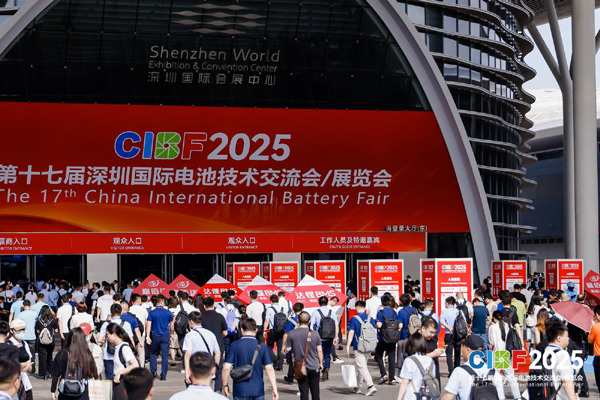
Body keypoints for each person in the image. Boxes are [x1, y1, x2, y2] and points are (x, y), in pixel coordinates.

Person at [222, 318, 278, 400]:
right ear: (256, 330)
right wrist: (274, 388)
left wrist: (225, 385)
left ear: (242, 330)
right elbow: (269, 368)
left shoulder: (234, 345)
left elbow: (226, 368)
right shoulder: (263, 347)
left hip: (240, 390)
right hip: (257, 390)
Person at [441, 335, 504, 400]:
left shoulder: (459, 371)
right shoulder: (494, 373)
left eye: (463, 347)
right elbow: (501, 398)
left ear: (468, 349)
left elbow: (447, 397)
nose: (462, 351)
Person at [50, 327, 99, 400]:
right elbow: (94, 373)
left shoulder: (61, 354)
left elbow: (55, 374)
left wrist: (53, 390)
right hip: (82, 392)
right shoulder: (86, 354)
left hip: (65, 391)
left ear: (69, 338)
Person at [284, 312, 323, 400]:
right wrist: (320, 363)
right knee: (315, 392)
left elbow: (288, 349)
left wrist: (285, 348)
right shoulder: (315, 334)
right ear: (309, 321)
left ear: (298, 320)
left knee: (303, 392)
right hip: (314, 366)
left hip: (300, 366)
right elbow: (319, 350)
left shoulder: (292, 333)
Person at [487, 310, 521, 400]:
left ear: (494, 318)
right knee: (511, 376)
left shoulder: (492, 327)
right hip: (507, 353)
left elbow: (491, 341)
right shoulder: (508, 326)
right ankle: (517, 396)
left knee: (497, 376)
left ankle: (500, 396)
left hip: (497, 353)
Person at [346, 301, 377, 396]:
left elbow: (351, 333)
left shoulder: (354, 319)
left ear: (356, 307)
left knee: (362, 367)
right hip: (369, 346)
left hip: (359, 346)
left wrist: (347, 346)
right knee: (362, 366)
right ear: (364, 307)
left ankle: (371, 386)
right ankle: (358, 387)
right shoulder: (370, 318)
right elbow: (375, 331)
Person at [182, 311, 221, 386]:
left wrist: (187, 372)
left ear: (191, 322)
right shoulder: (211, 334)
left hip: (194, 370)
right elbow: (218, 353)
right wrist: (215, 366)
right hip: (208, 369)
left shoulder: (190, 335)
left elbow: (187, 355)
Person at [98, 303, 134, 381]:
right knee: (122, 377)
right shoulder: (126, 324)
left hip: (108, 355)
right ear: (121, 313)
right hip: (122, 355)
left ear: (111, 313)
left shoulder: (106, 324)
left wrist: (105, 339)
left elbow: (99, 340)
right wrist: (133, 350)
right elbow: (131, 339)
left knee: (109, 379)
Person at [396, 333, 435, 400]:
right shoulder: (430, 360)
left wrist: (399, 398)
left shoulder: (409, 360)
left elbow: (405, 382)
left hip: (411, 394)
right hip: (426, 394)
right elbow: (433, 378)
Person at [200, 297, 228, 393]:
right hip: (219, 346)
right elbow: (225, 333)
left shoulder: (201, 317)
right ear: (213, 305)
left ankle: (207, 388)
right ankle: (218, 389)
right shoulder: (220, 316)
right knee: (219, 368)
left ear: (204, 306)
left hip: (205, 347)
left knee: (205, 368)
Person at [107, 322, 139, 400]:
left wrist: (119, 373)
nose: (106, 337)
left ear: (114, 334)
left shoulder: (124, 348)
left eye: (107, 334)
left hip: (123, 382)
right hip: (118, 382)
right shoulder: (118, 347)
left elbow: (135, 365)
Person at [310, 296, 339, 381]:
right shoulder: (331, 312)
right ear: (327, 302)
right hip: (329, 337)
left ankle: (321, 369)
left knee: (319, 354)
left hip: (319, 337)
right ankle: (326, 369)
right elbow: (336, 325)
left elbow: (311, 325)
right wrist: (336, 337)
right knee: (327, 355)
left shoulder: (316, 312)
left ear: (319, 303)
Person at [146, 294, 174, 380]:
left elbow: (148, 325)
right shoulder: (168, 312)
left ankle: (153, 371)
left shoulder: (152, 313)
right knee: (165, 356)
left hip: (155, 335)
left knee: (153, 353)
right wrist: (171, 333)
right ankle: (163, 375)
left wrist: (147, 336)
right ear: (161, 302)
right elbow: (172, 325)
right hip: (165, 335)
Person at [375, 294, 397, 385]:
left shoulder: (380, 312)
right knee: (392, 358)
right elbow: (398, 324)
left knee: (378, 355)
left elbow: (379, 325)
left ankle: (384, 375)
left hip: (383, 338)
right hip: (393, 338)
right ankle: (392, 379)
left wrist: (376, 324)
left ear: (382, 302)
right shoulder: (394, 312)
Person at [9, 319, 33, 400]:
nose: (21, 332)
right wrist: (21, 367)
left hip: (26, 384)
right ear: (11, 330)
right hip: (13, 386)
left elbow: (29, 366)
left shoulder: (24, 344)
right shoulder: (8, 345)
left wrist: (19, 367)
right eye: (18, 330)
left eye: (23, 329)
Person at [440, 296, 462, 375]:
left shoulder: (444, 312)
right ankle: (457, 370)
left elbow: (442, 321)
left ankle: (451, 371)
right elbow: (464, 321)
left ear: (447, 303)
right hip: (458, 334)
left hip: (449, 335)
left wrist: (449, 328)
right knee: (457, 352)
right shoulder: (459, 311)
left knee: (449, 353)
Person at [282, 302, 304, 385]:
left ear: (293, 310)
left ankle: (290, 377)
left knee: (292, 361)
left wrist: (283, 346)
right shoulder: (306, 320)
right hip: (304, 344)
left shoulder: (291, 321)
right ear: (302, 309)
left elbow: (286, 334)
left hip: (293, 345)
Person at [36, 305, 58, 379]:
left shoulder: (39, 321)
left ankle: (44, 373)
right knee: (49, 356)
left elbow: (37, 331)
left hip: (41, 341)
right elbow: (56, 330)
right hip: (50, 341)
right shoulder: (52, 320)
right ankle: (50, 372)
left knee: (42, 356)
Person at [263, 294, 286, 371]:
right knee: (280, 348)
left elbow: (267, 320)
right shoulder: (283, 309)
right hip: (281, 330)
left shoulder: (269, 309)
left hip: (272, 330)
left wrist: (264, 330)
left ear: (271, 301)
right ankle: (280, 366)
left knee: (268, 347)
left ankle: (275, 360)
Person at [129, 294, 149, 368]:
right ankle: (141, 367)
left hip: (131, 334)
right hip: (141, 333)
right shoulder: (143, 309)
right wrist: (146, 333)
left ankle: (133, 367)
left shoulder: (130, 309)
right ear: (138, 300)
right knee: (141, 352)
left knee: (131, 351)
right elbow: (146, 322)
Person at [587, 305, 600, 391]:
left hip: (598, 357)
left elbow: (590, 341)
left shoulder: (595, 327)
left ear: (597, 315)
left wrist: (592, 325)